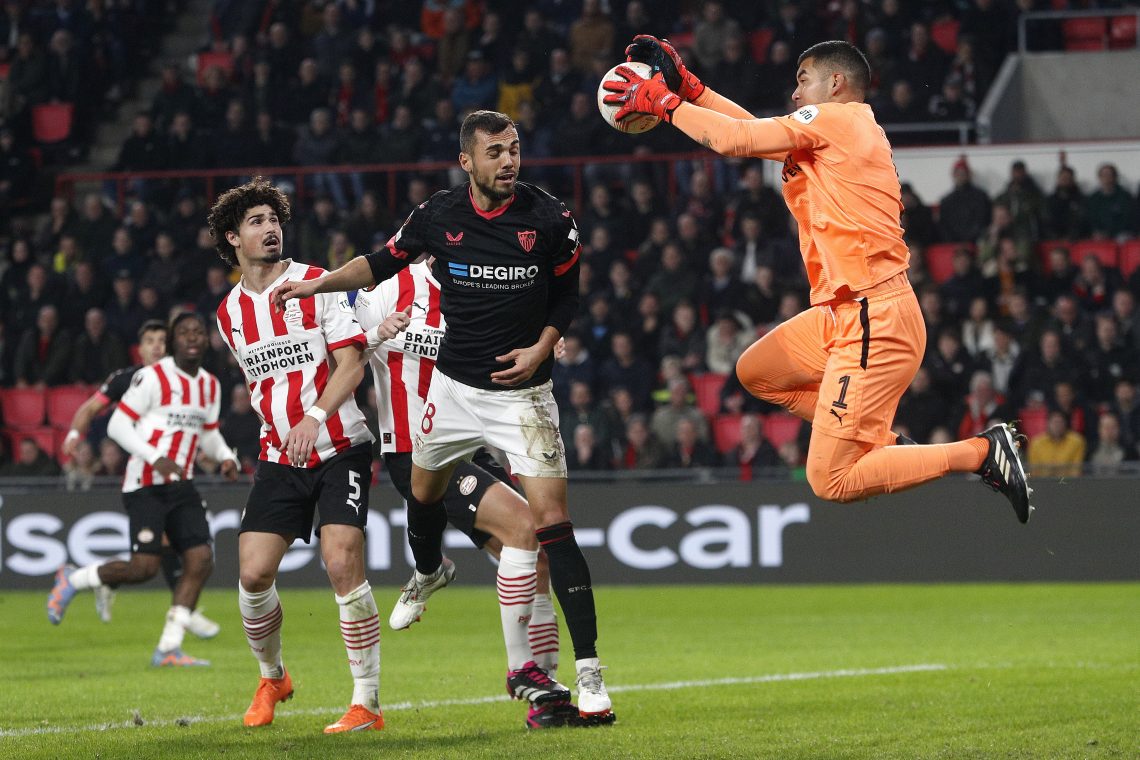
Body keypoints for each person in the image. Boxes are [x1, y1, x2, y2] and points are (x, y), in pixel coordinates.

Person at [272, 110, 613, 721]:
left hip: (522, 396)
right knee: (427, 499)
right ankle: (428, 570)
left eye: (514, 150)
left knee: (543, 528)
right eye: (495, 152)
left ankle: (580, 677)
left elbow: (568, 292)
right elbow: (375, 264)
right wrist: (317, 288)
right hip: (447, 401)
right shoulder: (433, 225)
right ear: (468, 161)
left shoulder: (551, 219)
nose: (508, 161)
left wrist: (544, 342)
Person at [603, 38, 1033, 522]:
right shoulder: (835, 136)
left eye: (802, 80)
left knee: (830, 480)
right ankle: (882, 444)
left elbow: (733, 141)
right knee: (756, 372)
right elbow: (749, 131)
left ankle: (980, 452)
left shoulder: (840, 119)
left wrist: (665, 104)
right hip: (849, 312)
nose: (795, 94)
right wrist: (693, 91)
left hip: (874, 316)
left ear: (836, 82)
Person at [353, 260, 607, 729]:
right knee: (527, 530)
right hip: (415, 448)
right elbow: (345, 351)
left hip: (474, 446)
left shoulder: (477, 290)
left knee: (540, 558)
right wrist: (372, 335)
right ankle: (517, 666)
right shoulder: (389, 290)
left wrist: (543, 343)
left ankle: (547, 701)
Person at [207, 178, 382, 734]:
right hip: (279, 457)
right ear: (233, 238)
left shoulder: (315, 283)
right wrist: (289, 425)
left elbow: (351, 365)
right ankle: (273, 676)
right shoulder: (229, 312)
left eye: (273, 218)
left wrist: (315, 416)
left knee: (341, 559)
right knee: (254, 574)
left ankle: (366, 703)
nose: (270, 228)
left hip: (340, 446)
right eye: (256, 221)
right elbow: (264, 386)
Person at [46, 312, 239, 668]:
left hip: (182, 484)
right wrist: (156, 457)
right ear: (173, 340)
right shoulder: (151, 377)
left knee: (200, 560)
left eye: (198, 332)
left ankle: (169, 647)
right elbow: (118, 426)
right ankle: (73, 579)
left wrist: (225, 456)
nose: (193, 338)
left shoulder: (210, 385)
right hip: (146, 483)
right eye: (184, 333)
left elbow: (208, 432)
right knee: (144, 568)